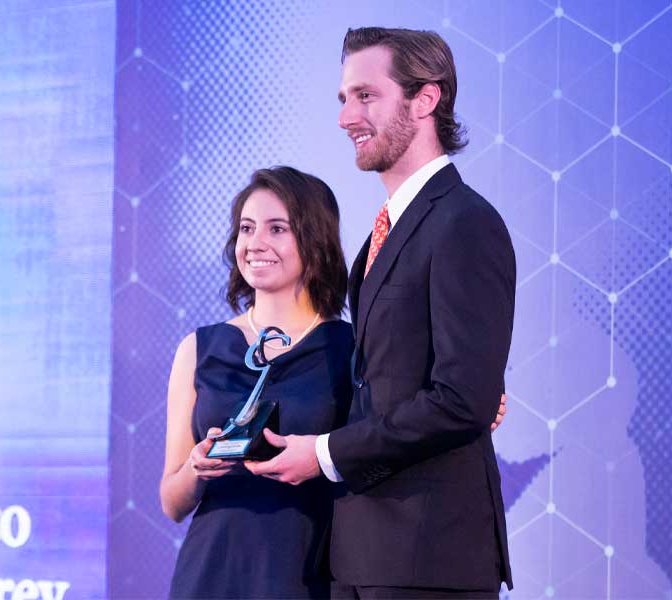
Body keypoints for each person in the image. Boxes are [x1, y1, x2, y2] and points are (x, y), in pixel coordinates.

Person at [245, 28, 516, 599]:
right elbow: (385, 381)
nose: (347, 117)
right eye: (344, 99)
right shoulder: (381, 236)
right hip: (362, 553)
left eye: (365, 96)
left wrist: (323, 454)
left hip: (430, 558)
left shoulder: (464, 223)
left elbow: (462, 400)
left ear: (426, 100)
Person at [161, 166, 355, 599]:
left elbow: (395, 435)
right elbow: (172, 502)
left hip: (308, 575)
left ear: (315, 240)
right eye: (247, 228)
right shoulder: (199, 348)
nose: (256, 243)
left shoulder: (350, 349)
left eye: (277, 228)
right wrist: (196, 468)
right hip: (211, 575)